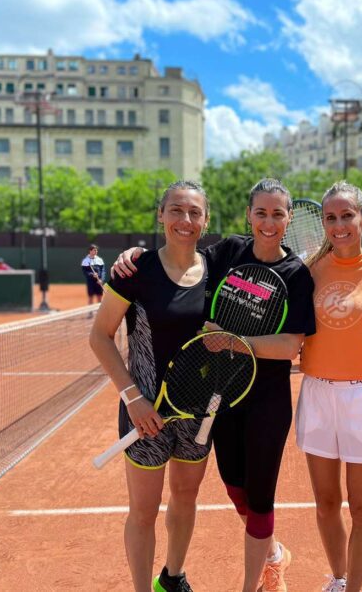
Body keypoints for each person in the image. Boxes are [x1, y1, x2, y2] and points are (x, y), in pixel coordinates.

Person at [112, 178, 317, 592]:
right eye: (260, 212)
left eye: (278, 213)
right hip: (214, 400)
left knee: (251, 499)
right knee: (234, 490)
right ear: (248, 215)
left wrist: (232, 342)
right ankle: (274, 552)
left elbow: (291, 346)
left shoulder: (295, 273)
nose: (269, 221)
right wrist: (135, 255)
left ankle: (250, 581)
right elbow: (179, 257)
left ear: (289, 218)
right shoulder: (227, 254)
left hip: (256, 402)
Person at [89, 180, 212, 592]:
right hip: (144, 413)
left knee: (185, 498)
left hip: (198, 414)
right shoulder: (134, 271)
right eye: (176, 210)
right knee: (143, 511)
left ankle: (172, 578)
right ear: (161, 216)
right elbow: (100, 336)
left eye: (195, 212)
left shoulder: (218, 269)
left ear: (206, 220)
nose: (185, 219)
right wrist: (135, 399)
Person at [297, 181, 362, 592]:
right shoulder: (308, 270)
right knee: (326, 504)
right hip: (318, 394)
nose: (339, 225)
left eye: (347, 216)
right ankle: (339, 580)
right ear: (323, 222)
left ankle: (354, 589)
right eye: (331, 217)